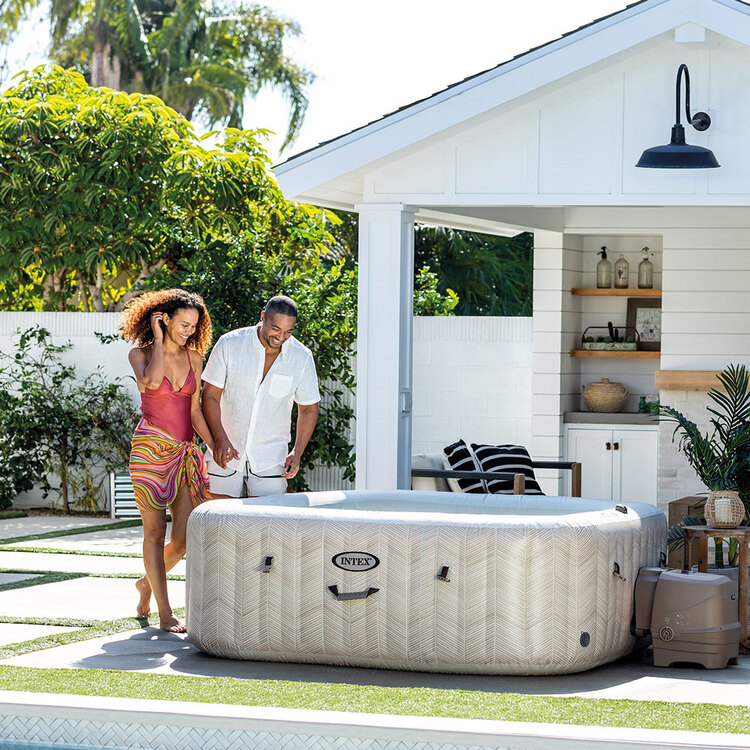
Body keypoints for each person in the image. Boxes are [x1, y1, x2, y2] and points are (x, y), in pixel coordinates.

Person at [120, 289, 214, 632]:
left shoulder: (195, 358)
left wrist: (215, 445)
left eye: (194, 325)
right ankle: (164, 612)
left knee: (184, 539)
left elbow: (194, 411)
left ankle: (146, 584)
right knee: (155, 533)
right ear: (164, 320)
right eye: (183, 323)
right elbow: (151, 382)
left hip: (185, 454)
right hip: (150, 451)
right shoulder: (140, 354)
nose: (189, 330)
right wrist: (158, 340)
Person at [202, 295, 320, 498]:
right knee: (218, 516)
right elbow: (209, 396)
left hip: (271, 459)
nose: (281, 337)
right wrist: (220, 438)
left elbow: (309, 408)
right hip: (224, 452)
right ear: (263, 317)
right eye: (276, 329)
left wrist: (297, 451)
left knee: (266, 518)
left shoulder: (301, 357)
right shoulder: (230, 344)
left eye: (288, 332)